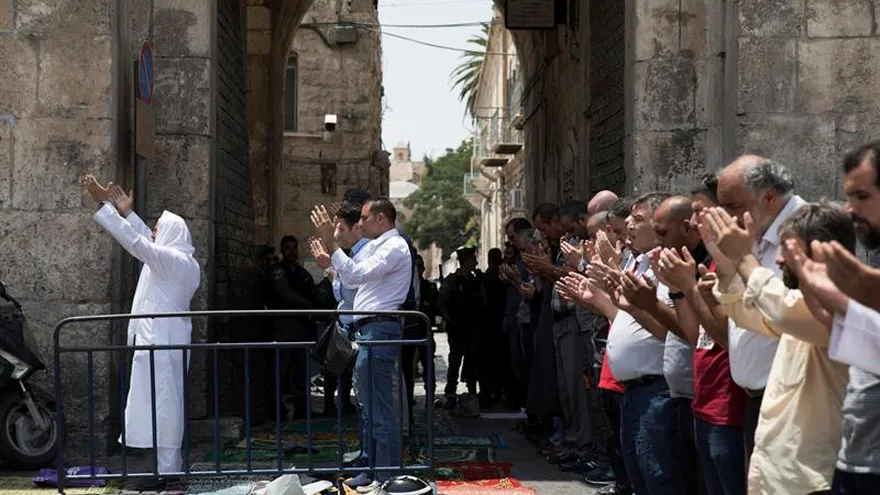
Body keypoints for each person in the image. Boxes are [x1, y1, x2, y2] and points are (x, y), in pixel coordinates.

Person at [83, 176, 200, 490]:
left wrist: (104, 207)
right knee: (157, 403)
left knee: (165, 404)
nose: (154, 232)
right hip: (158, 341)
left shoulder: (175, 261)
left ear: (171, 233)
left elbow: (139, 244)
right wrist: (127, 213)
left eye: (159, 228)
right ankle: (162, 468)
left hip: (163, 342)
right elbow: (146, 240)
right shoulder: (175, 258)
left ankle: (167, 470)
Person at [308, 197, 412, 493]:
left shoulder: (394, 247)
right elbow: (352, 282)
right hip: (368, 330)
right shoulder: (378, 247)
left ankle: (387, 474)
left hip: (379, 329)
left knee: (380, 408)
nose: (361, 223)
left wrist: (331, 242)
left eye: (365, 218)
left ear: (381, 219)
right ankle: (373, 468)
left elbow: (354, 275)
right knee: (368, 406)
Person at [266, 235, 320, 420]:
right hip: (284, 323)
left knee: (301, 369)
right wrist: (307, 305)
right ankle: (275, 410)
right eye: (287, 248)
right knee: (279, 369)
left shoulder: (302, 273)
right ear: (282, 250)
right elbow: (286, 294)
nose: (291, 252)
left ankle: (302, 409)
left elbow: (313, 292)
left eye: (293, 248)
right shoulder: (278, 271)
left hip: (302, 325)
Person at [438, 247, 481, 404]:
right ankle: (450, 394)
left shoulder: (474, 280)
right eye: (473, 259)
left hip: (472, 329)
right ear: (466, 261)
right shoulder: (452, 281)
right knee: (455, 362)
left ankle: (472, 394)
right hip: (457, 329)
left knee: (472, 362)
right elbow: (442, 305)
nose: (476, 262)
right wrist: (451, 322)